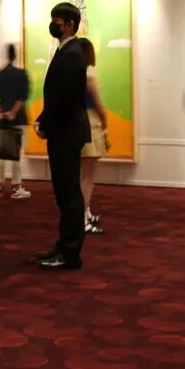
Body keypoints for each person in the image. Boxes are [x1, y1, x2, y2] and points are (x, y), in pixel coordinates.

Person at [33, 2, 90, 271]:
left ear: (69, 24)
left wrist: (45, 121)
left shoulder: (72, 54)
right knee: (64, 193)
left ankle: (70, 252)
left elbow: (63, 97)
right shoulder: (66, 51)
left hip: (66, 131)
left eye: (57, 20)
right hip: (63, 130)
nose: (53, 25)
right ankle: (64, 245)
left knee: (69, 194)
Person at [0, 44, 32, 199]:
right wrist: (12, 113)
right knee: (16, 155)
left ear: (6, 55)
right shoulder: (22, 75)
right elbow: (22, 97)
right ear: (15, 55)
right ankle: (16, 187)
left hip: (2, 121)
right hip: (18, 120)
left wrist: (1, 113)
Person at [76, 38, 109, 234]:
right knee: (88, 177)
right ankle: (82, 218)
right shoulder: (88, 79)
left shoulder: (70, 77)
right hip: (90, 124)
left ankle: (85, 212)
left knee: (80, 175)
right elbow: (100, 107)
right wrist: (106, 124)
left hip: (75, 124)